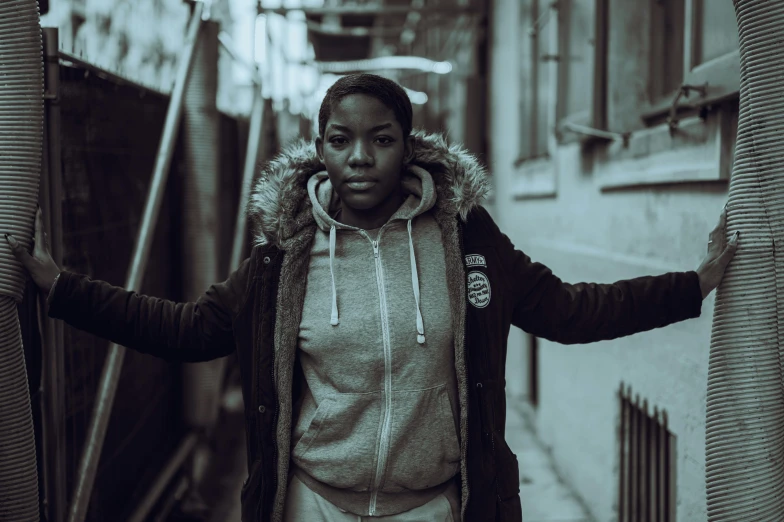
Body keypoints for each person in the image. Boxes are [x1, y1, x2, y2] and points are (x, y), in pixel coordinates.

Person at [5, 73, 738, 522]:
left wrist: (690, 285)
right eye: (340, 139)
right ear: (319, 147)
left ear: (408, 146)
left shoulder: (466, 239)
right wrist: (64, 289)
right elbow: (192, 329)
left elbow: (571, 310)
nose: (360, 157)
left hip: (434, 507)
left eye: (380, 139)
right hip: (311, 503)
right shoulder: (285, 255)